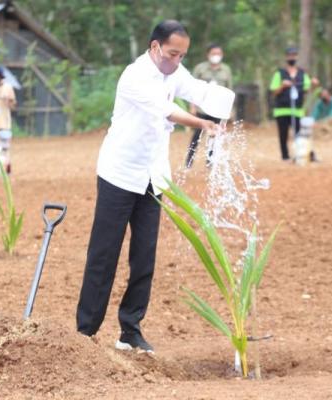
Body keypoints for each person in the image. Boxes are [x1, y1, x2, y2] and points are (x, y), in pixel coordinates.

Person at [76, 20, 222, 353]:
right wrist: (201, 122)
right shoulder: (134, 76)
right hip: (119, 174)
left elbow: (198, 90)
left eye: (183, 55)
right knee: (104, 253)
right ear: (155, 47)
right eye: (173, 53)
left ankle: (130, 329)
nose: (177, 61)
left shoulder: (175, 72)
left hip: (153, 177)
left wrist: (224, 106)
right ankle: (85, 332)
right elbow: (167, 110)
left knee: (144, 257)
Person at [185, 43, 233, 168]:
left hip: (218, 110)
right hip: (202, 108)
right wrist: (193, 107)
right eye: (213, 53)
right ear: (208, 54)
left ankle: (210, 161)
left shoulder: (226, 70)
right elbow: (192, 89)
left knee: (215, 136)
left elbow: (229, 91)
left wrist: (229, 111)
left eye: (218, 54)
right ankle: (189, 162)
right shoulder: (200, 69)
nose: (216, 56)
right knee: (197, 136)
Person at [269, 46, 319, 161]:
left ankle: (301, 154)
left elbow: (307, 89)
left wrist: (313, 84)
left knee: (299, 133)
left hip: (297, 110)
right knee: (283, 134)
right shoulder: (279, 73)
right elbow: (273, 91)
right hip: (281, 110)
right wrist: (282, 86)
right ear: (286, 57)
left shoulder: (302, 73)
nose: (292, 57)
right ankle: (285, 156)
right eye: (290, 55)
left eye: (294, 55)